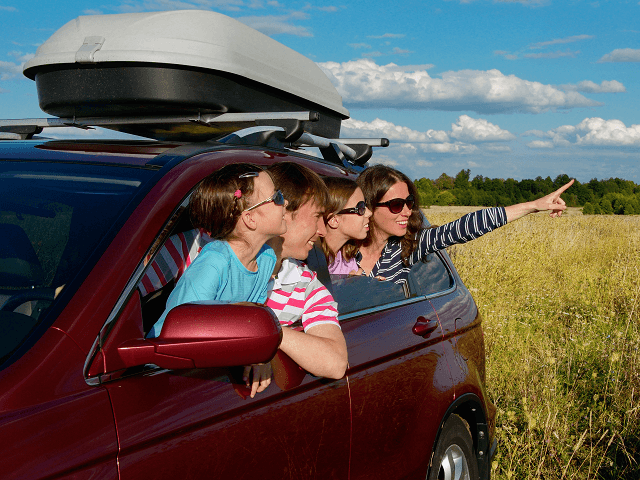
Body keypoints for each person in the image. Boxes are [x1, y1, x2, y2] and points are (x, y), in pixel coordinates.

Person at [327, 164, 574, 285]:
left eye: (409, 201)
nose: (407, 211)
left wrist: (533, 206)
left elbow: (465, 227)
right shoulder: (336, 247)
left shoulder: (407, 247)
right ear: (370, 207)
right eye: (395, 205)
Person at [147, 163, 287, 338]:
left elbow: (253, 321)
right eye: (278, 197)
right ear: (250, 219)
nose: (285, 202)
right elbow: (185, 329)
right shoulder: (214, 262)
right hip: (167, 355)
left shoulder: (267, 258)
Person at [244, 162, 348, 397]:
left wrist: (268, 335)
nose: (323, 230)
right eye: (317, 216)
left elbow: (335, 362)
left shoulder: (306, 285)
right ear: (284, 212)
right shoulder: (195, 250)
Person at [320, 177, 372, 276]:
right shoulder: (309, 260)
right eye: (361, 208)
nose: (369, 213)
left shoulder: (347, 259)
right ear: (334, 220)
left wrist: (369, 285)